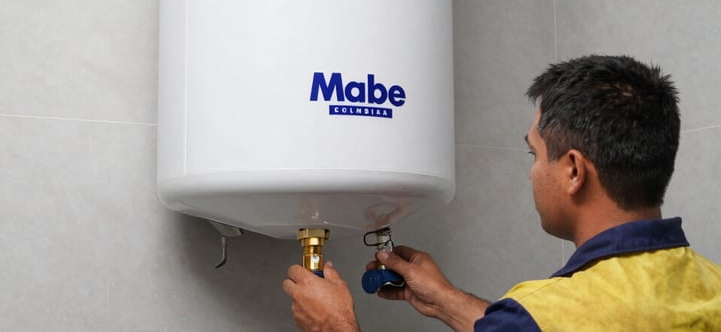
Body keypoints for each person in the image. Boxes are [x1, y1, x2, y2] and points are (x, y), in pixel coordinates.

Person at [282, 55, 721, 331]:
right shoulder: (712, 288)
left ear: (572, 170)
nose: (531, 172)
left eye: (534, 154)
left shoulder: (542, 314)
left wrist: (333, 324)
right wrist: (446, 300)